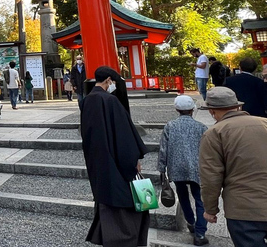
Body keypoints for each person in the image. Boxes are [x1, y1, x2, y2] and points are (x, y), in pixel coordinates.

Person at [81, 66, 149, 247]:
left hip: (98, 161)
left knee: (105, 198)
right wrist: (133, 160)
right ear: (109, 81)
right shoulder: (110, 101)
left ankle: (107, 237)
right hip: (117, 163)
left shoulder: (88, 101)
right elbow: (123, 135)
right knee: (124, 203)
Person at [199, 86, 267, 245]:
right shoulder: (265, 123)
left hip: (244, 210)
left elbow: (211, 176)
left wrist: (210, 209)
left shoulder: (214, 133)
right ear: (238, 106)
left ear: (212, 111)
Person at [157, 95, 209, 246]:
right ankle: (200, 234)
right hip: (197, 168)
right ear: (193, 109)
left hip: (177, 167)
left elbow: (163, 149)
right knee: (200, 199)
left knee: (183, 195)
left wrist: (162, 169)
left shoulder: (170, 126)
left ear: (176, 109)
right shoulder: (201, 127)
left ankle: (191, 222)